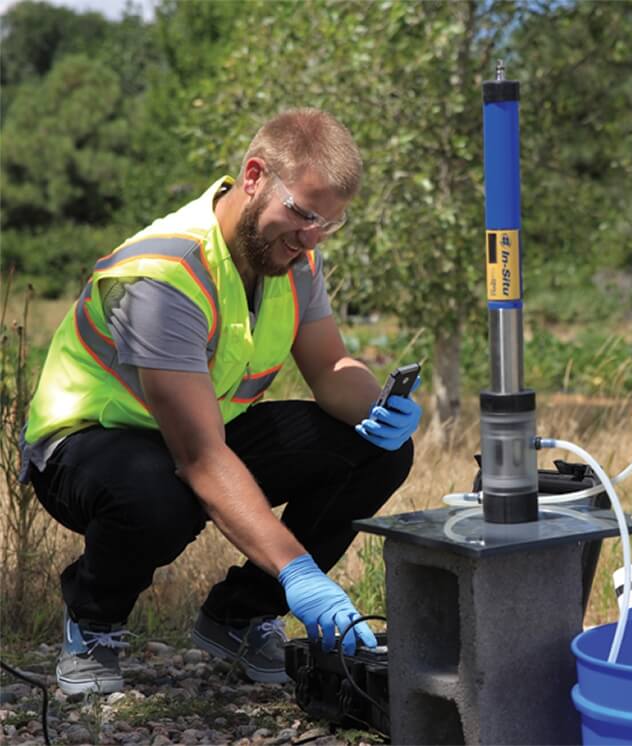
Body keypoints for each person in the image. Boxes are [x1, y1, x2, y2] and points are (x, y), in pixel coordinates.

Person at [20, 108, 421, 695]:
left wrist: (380, 407)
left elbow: (332, 370)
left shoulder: (295, 257)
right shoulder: (163, 275)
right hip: (87, 447)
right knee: (158, 495)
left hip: (197, 434)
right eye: (304, 214)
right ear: (255, 176)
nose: (311, 237)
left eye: (328, 225)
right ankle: (93, 621)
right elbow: (201, 459)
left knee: (375, 452)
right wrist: (298, 572)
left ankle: (239, 616)